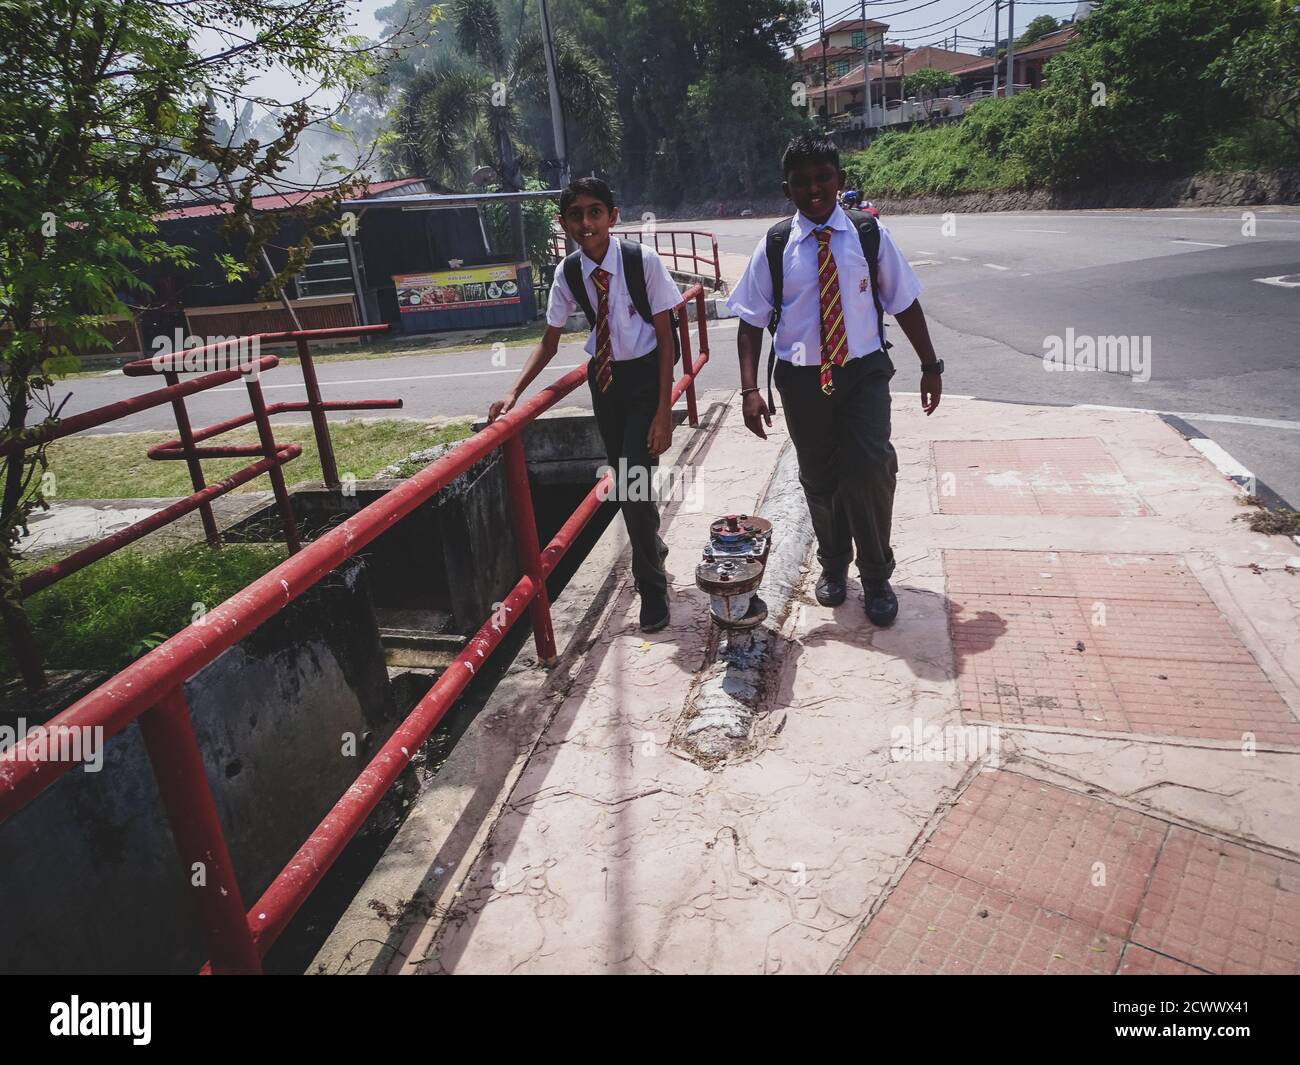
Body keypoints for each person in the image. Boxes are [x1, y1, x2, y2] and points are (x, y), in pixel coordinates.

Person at [728, 133, 944, 627]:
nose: (814, 190)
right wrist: (749, 389)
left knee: (870, 469)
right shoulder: (778, 244)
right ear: (788, 190)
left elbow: (904, 301)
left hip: (863, 371)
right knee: (820, 478)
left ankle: (875, 576)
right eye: (801, 183)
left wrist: (930, 366)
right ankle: (832, 565)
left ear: (840, 181)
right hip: (802, 380)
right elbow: (750, 323)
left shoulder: (868, 235)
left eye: (823, 178)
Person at [488, 177, 681, 632]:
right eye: (576, 215)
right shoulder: (569, 272)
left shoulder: (641, 262)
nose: (586, 223)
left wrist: (662, 411)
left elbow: (668, 338)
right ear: (564, 223)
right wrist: (515, 391)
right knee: (629, 481)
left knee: (634, 480)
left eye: (596, 212)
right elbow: (550, 342)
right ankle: (651, 543)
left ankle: (650, 588)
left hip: (645, 378)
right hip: (605, 381)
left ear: (612, 217)